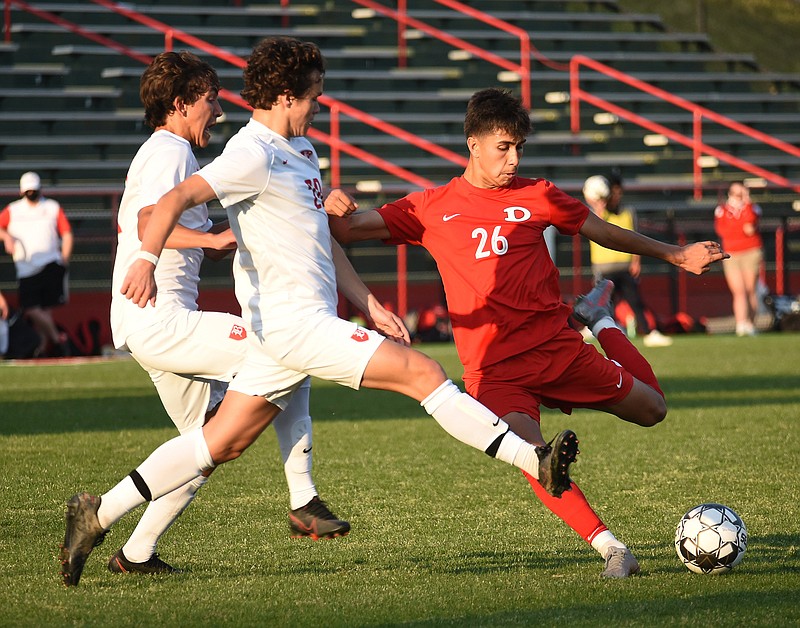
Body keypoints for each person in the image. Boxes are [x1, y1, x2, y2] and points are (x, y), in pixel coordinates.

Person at [59, 37, 578, 587]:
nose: (320, 105)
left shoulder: (301, 152)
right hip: (292, 324)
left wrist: (370, 302)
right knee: (423, 372)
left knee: (220, 442)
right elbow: (169, 203)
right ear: (285, 96)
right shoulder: (251, 151)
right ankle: (534, 461)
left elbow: (323, 243)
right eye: (314, 96)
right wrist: (143, 260)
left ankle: (98, 514)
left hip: (283, 333)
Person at [329, 88, 728, 578]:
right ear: (473, 144)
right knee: (536, 457)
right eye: (503, 147)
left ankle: (597, 318)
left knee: (654, 410)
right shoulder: (431, 207)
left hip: (559, 349)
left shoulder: (537, 194)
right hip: (495, 371)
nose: (513, 159)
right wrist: (327, 199)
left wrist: (676, 254)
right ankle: (613, 550)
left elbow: (601, 230)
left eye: (519, 147)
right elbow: (344, 231)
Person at [105, 51, 355, 576]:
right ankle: (303, 498)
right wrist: (212, 240)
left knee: (206, 448)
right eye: (208, 100)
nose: (217, 112)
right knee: (286, 343)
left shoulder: (169, 151)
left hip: (150, 322)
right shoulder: (171, 149)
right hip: (162, 318)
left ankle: (133, 549)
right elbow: (151, 218)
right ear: (179, 105)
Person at [583, 174, 672, 347]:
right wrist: (598, 207)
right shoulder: (596, 214)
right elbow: (597, 228)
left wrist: (636, 261)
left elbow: (634, 237)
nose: (616, 196)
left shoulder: (627, 212)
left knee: (635, 301)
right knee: (604, 303)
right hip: (604, 267)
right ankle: (594, 329)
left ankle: (649, 332)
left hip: (624, 266)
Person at [0, 171, 72, 357]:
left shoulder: (51, 207)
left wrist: (64, 258)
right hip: (26, 267)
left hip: (50, 263)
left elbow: (66, 233)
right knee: (32, 308)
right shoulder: (13, 210)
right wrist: (6, 236)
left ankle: (41, 350)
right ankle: (57, 340)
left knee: (44, 308)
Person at [714, 181, 763, 337]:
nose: (738, 197)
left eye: (741, 194)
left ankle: (751, 324)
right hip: (731, 253)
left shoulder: (752, 208)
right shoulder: (722, 210)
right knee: (739, 291)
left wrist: (746, 203)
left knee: (750, 290)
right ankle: (741, 324)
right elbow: (724, 231)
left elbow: (749, 228)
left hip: (751, 251)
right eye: (736, 194)